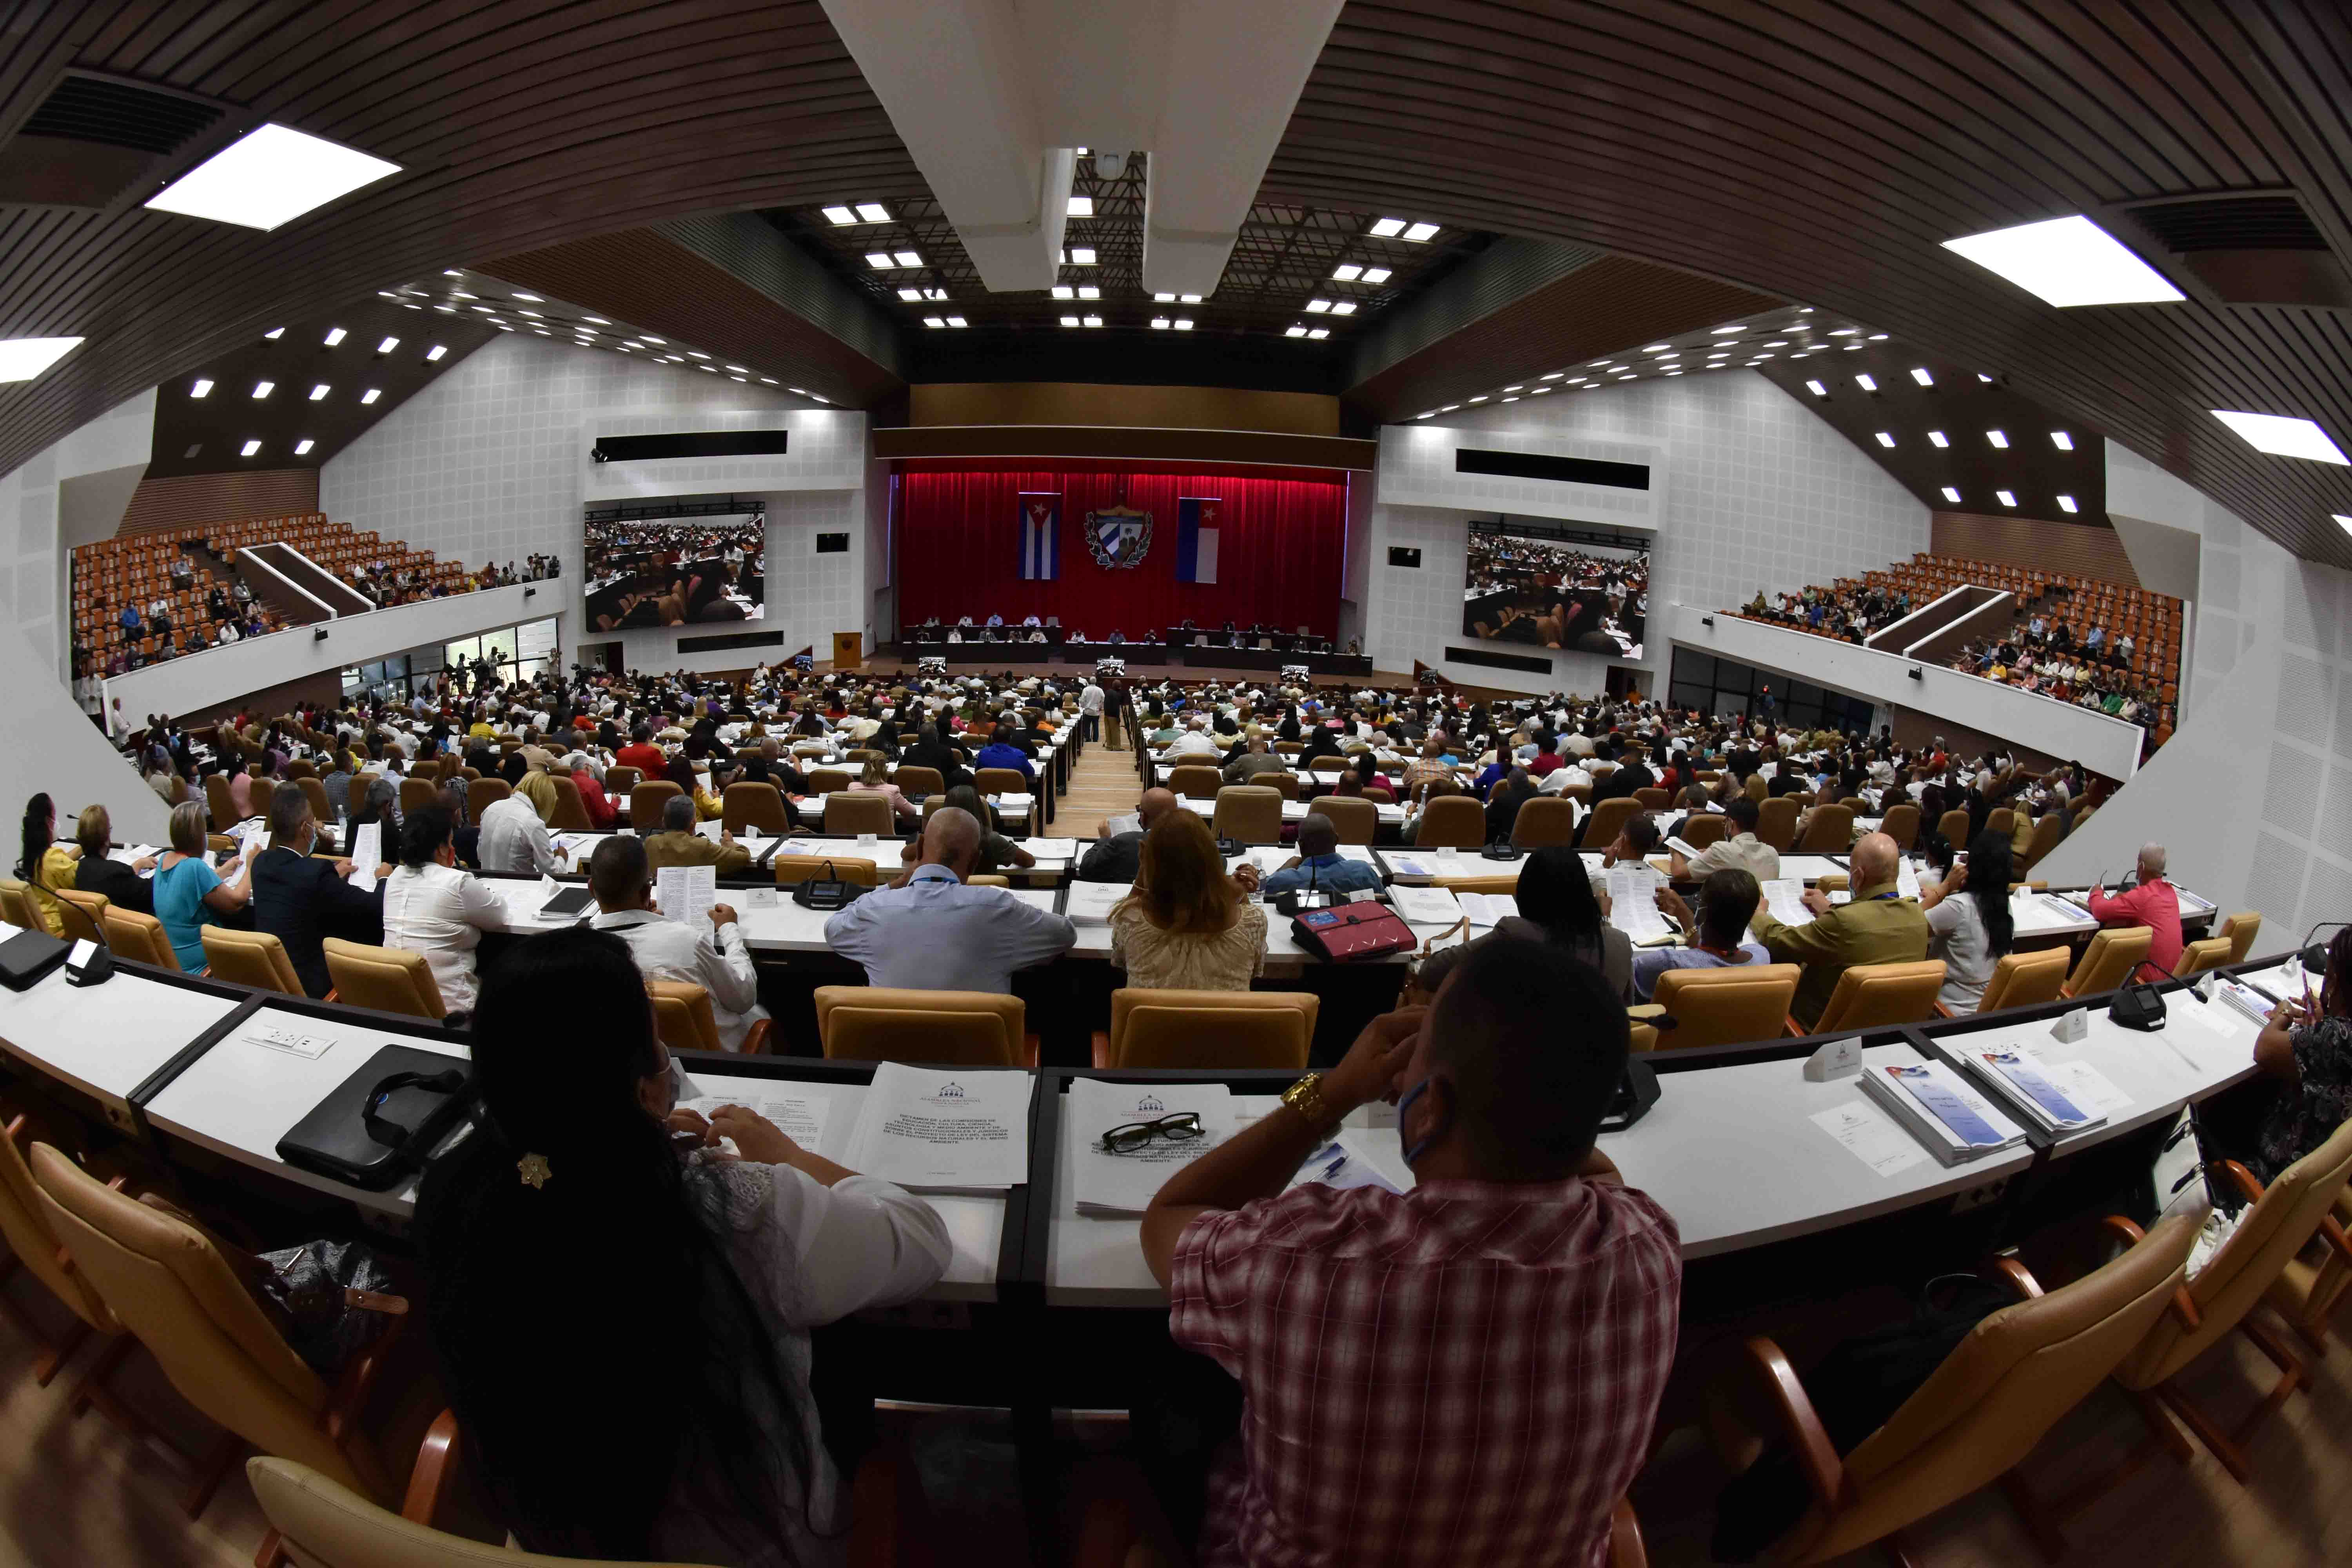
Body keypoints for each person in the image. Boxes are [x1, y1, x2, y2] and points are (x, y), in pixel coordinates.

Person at [414, 927, 949, 1564]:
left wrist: (629, 1144)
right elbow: (921, 1238)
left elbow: (564, 1173)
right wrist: (788, 1156)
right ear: (645, 1087)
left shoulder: (462, 1192)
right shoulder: (742, 1209)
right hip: (757, 1546)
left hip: (557, 1538)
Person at [1140, 940, 1679, 1568]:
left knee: (1164, 1381)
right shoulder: (1648, 1249)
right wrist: (1516, 1084)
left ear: (1427, 1110)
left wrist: (1331, 1094)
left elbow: (1169, 1219)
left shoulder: (1302, 1262)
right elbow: (1600, 1175)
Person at [824, 807, 1075, 991]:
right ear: (975, 862)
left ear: (920, 849)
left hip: (890, 1060)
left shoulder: (873, 909)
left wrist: (895, 885)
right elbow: (1066, 934)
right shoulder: (996, 907)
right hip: (985, 1061)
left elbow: (832, 929)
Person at [588, 836, 770, 1051]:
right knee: (761, 1012)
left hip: (637, 1062)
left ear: (591, 889)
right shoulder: (688, 941)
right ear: (647, 892)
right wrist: (729, 929)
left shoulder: (580, 954)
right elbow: (744, 997)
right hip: (717, 1063)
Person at [1749, 832, 1931, 1029]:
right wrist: (1829, 910)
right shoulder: (1917, 916)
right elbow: (1869, 922)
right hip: (1886, 1032)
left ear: (1859, 877)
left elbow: (1779, 941)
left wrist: (1759, 914)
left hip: (1812, 1031)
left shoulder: (1843, 923)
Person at [250, 783, 390, 998]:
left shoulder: (261, 863)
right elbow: (374, 906)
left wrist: (333, 873)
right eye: (313, 823)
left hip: (273, 978)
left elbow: (297, 880)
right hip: (313, 984)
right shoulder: (315, 874)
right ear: (305, 829)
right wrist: (382, 879)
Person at [1109, 813, 1267, 991]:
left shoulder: (1131, 921)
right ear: (1215, 859)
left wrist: (1144, 868)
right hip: (1225, 1020)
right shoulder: (1253, 922)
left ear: (1147, 859)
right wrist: (1235, 894)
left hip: (1151, 1020)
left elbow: (1121, 962)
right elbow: (1252, 971)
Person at [2248, 927, 2352, 1182]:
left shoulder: (2336, 1037)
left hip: (2274, 1169)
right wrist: (2321, 1024)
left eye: (2327, 975)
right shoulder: (2337, 1035)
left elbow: (2265, 1050)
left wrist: (2283, 1012)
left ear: (2335, 983)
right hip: (2319, 1179)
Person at [380, 808, 506, 1017]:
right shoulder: (456, 882)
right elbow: (498, 915)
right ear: (441, 849)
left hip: (402, 1006)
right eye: (450, 841)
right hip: (455, 1012)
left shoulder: (394, 878)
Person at [1494, 846, 1633, 1000]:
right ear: (1586, 893)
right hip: (1596, 1024)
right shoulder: (1621, 943)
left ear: (1526, 892)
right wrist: (1604, 920)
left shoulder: (1513, 933)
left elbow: (1462, 961)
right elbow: (1628, 1009)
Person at [1633, 869, 1773, 1000]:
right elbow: (1709, 955)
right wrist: (1681, 911)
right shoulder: (1761, 957)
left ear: (1703, 912)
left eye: (1699, 899)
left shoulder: (1668, 963)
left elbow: (1619, 974)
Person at [1918, 830, 2016, 1013]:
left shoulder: (1958, 907)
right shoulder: (2004, 905)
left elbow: (1911, 927)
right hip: (1984, 1008)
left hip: (1944, 1010)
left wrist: (1945, 887)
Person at [2085, 841, 2184, 976]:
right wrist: (2124, 899)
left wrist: (2096, 892)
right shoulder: (2170, 892)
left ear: (2141, 867)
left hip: (2146, 981)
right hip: (2171, 978)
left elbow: (2100, 911)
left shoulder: (2142, 896)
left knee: (2099, 960)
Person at [1258, 813, 1383, 899]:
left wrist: (1284, 869)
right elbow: (1383, 901)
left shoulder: (1285, 879)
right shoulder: (1364, 871)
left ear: (1301, 845)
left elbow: (1260, 892)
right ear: (1336, 840)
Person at [68, 805, 155, 916]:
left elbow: (119, 883)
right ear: (106, 839)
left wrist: (137, 866)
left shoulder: (80, 870)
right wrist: (167, 864)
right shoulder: (115, 872)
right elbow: (151, 892)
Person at [1670, 795, 1780, 882]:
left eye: (1725, 822)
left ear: (1731, 823)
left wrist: (1676, 850)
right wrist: (1709, 855)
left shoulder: (1720, 850)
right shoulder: (1772, 853)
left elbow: (1678, 873)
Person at [1079, 787, 1178, 882]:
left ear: (1143, 816)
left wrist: (1105, 839)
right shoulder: (1189, 842)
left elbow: (1087, 870)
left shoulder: (1125, 842)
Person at [15, 793, 81, 936]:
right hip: (61, 931)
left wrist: (84, 846)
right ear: (48, 821)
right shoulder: (52, 857)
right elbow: (82, 879)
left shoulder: (31, 857)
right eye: (55, 816)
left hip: (41, 927)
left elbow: (58, 864)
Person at [479, 771, 565, 876]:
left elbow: (480, 855)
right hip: (520, 887)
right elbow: (551, 873)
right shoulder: (533, 823)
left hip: (487, 883)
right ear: (546, 800)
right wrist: (562, 859)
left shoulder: (491, 809)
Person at [644, 794, 755, 876]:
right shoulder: (702, 846)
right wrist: (728, 842)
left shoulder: (650, 843)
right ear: (693, 824)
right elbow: (744, 858)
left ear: (664, 822)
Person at [847, 757, 916, 820]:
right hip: (883, 835)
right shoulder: (892, 790)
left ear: (864, 770)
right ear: (885, 771)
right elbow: (911, 812)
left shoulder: (852, 788)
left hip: (856, 834)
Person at [1220, 737, 1287, 785]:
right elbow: (1288, 778)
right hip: (1273, 799)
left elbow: (1225, 775)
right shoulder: (1277, 759)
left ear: (1248, 748)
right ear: (1265, 747)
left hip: (1250, 798)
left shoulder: (1243, 759)